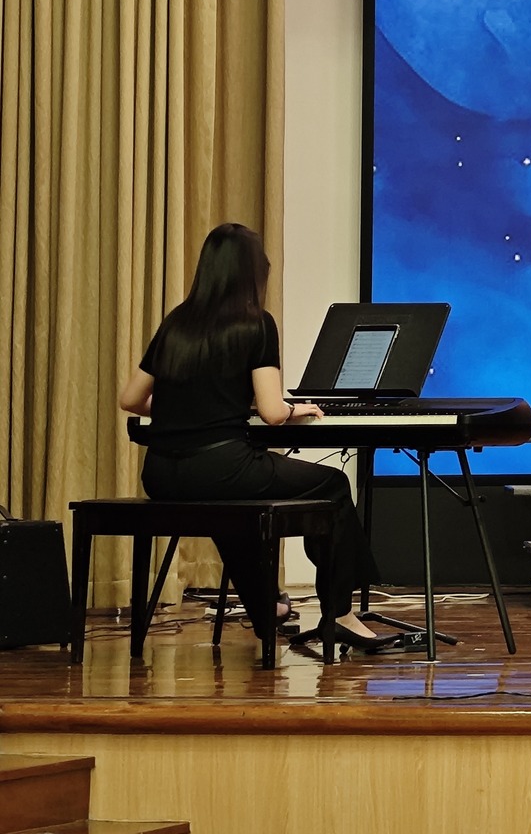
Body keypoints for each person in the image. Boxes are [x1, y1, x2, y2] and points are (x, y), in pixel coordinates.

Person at [118, 224, 389, 656]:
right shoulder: (256, 324)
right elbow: (272, 412)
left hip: (162, 474)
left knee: (233, 512)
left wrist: (185, 411)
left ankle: (268, 611)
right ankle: (339, 613)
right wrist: (298, 408)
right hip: (221, 467)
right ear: (252, 271)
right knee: (334, 486)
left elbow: (131, 399)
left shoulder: (177, 324)